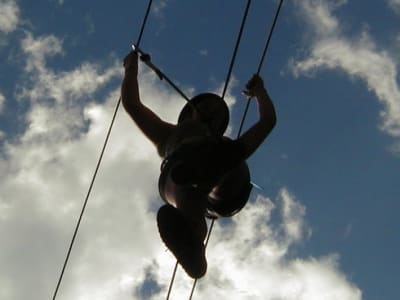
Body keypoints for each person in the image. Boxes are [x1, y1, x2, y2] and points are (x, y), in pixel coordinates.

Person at [121, 50, 276, 279]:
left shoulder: (214, 144)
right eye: (208, 108)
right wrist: (131, 68)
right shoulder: (167, 135)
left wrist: (260, 93)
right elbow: (133, 104)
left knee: (222, 160)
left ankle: (200, 183)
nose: (210, 113)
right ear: (189, 113)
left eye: (215, 114)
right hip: (185, 184)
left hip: (211, 185)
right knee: (200, 182)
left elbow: (267, 122)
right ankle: (193, 242)